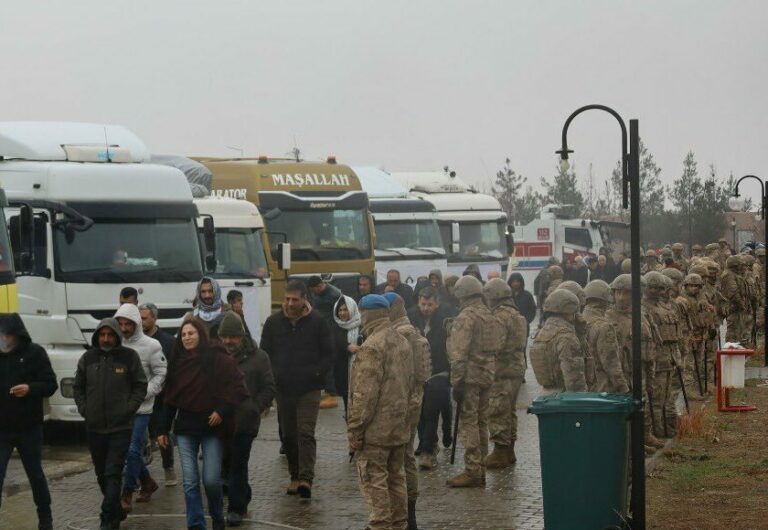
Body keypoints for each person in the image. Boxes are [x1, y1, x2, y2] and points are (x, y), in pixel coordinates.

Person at [157, 318, 249, 530]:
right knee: (190, 481)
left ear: (201, 334)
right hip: (186, 429)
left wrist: (222, 410)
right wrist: (162, 428)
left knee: (211, 480)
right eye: (183, 335)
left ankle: (217, 517)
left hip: (212, 428)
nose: (187, 337)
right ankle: (196, 524)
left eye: (191, 333)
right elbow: (170, 398)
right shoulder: (178, 362)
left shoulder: (218, 358)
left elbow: (237, 388)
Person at [260, 280, 333, 499]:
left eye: (295, 299)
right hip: (283, 389)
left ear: (304, 299)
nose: (290, 304)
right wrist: (271, 378)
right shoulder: (273, 322)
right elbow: (265, 354)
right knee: (289, 435)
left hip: (309, 388)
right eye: (287, 299)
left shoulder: (318, 322)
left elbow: (329, 353)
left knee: (305, 432)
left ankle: (306, 479)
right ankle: (294, 475)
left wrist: (317, 373)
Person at [73, 319, 147, 530]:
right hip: (94, 427)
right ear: (97, 336)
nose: (106, 339)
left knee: (112, 472)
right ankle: (117, 511)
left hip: (120, 427)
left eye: (110, 335)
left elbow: (140, 385)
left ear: (116, 336)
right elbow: (78, 388)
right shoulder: (87, 358)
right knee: (101, 474)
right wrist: (85, 409)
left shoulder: (129, 357)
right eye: (102, 335)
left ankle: (106, 519)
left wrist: (128, 408)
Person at [348, 294, 412, 530]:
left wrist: (355, 430)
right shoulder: (402, 340)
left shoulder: (371, 347)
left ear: (366, 315)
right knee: (396, 478)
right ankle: (399, 525)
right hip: (399, 426)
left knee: (374, 480)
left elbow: (364, 396)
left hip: (375, 431)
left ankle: (381, 526)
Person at [446, 275, 504, 488]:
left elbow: (459, 353)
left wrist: (456, 382)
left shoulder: (465, 317)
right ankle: (478, 468)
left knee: (468, 422)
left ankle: (472, 469)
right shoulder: (490, 315)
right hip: (487, 374)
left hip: (469, 377)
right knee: (481, 421)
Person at [217, 312, 276, 526]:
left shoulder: (259, 357)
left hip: (245, 422)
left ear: (241, 336)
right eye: (224, 337)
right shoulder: (216, 356)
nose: (228, 342)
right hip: (220, 422)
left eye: (232, 337)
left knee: (238, 464)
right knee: (225, 463)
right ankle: (243, 493)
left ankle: (236, 509)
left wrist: (255, 407)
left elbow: (268, 387)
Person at [0, 314, 57, 530]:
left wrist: (30, 389)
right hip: (1, 429)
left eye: (8, 334)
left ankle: (45, 518)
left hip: (29, 428)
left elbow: (51, 384)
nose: (4, 339)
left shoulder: (35, 353)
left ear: (17, 334)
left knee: (35, 474)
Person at [382, 292, 431, 530]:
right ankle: (409, 515)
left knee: (397, 460)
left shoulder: (397, 336)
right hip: (415, 399)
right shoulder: (413, 331)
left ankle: (401, 515)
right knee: (408, 456)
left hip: (399, 403)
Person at [113, 303, 167, 513]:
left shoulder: (151, 345)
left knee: (134, 449)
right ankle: (147, 481)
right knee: (127, 452)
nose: (125, 328)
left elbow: (161, 373)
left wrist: (146, 392)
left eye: (129, 324)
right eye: (121, 324)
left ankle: (127, 491)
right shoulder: (114, 344)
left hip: (142, 408)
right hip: (119, 408)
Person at [606, 275, 664, 452]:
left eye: (627, 293)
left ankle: (643, 436)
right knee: (626, 407)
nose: (622, 297)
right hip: (622, 370)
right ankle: (631, 445)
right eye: (618, 293)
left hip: (642, 367)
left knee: (642, 402)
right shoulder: (608, 317)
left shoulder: (641, 315)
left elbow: (651, 341)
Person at [409, 287, 455, 470]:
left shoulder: (445, 318)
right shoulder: (412, 317)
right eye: (423, 304)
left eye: (429, 304)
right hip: (418, 373)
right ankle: (426, 442)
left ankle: (429, 450)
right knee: (419, 412)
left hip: (440, 371)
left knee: (432, 411)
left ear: (436, 303)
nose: (426, 308)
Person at [482, 279, 527, 469]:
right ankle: (509, 450)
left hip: (502, 370)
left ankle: (500, 452)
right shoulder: (517, 315)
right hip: (516, 368)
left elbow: (495, 345)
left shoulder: (499, 316)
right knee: (510, 411)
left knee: (498, 409)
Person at [138, 302, 178, 487]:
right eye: (139, 317)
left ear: (154, 318)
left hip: (162, 397)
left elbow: (174, 368)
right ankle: (140, 471)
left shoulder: (168, 341)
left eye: (144, 318)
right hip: (140, 397)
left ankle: (168, 467)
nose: (141, 321)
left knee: (163, 433)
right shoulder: (134, 341)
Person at [643, 272, 681, 439]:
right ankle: (656, 431)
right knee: (656, 399)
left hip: (668, 358)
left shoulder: (666, 308)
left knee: (666, 396)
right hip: (656, 360)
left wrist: (677, 356)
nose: (657, 291)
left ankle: (666, 427)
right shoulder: (644, 309)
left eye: (660, 288)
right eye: (652, 287)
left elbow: (674, 335)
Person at [529, 290, 587, 395]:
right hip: (564, 398)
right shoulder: (566, 336)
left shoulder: (541, 333)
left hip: (545, 394)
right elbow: (574, 380)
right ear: (569, 311)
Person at [582, 281, 629, 394]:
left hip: (584, 386)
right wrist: (624, 388)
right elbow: (611, 364)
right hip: (602, 388)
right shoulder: (604, 327)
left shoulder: (577, 322)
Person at [332, 295, 362, 414]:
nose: (342, 313)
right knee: (348, 409)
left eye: (345, 309)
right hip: (344, 374)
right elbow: (332, 345)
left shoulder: (362, 325)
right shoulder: (334, 328)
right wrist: (347, 346)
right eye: (340, 310)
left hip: (361, 372)